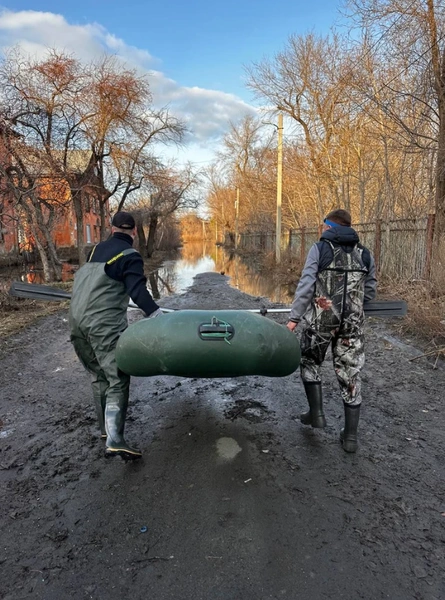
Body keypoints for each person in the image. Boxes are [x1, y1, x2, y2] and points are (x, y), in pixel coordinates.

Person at [69, 211, 162, 460]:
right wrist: (157, 315)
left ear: (111, 229)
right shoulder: (130, 256)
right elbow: (137, 291)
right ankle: (115, 439)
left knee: (99, 375)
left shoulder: (93, 250)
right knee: (117, 378)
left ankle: (104, 430)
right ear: (133, 232)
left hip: (76, 322)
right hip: (103, 326)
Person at [286, 209, 377, 453]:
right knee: (351, 374)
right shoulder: (365, 254)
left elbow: (306, 284)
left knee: (309, 360)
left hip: (322, 319)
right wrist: (355, 307)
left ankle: (316, 415)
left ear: (328, 227)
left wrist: (294, 318)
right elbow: (370, 291)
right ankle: (350, 438)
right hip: (353, 324)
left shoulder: (320, 249)